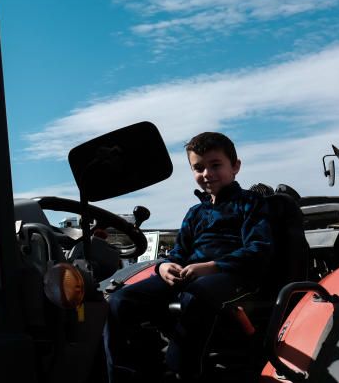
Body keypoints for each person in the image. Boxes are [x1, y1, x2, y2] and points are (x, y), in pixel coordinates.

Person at [104, 131, 272, 382]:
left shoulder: (251, 204)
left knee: (198, 294)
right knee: (120, 299)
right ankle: (123, 373)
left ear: (235, 166)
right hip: (191, 275)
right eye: (199, 168)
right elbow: (179, 253)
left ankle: (185, 369)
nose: (207, 174)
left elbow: (258, 249)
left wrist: (212, 267)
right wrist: (165, 267)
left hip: (234, 277)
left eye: (216, 165)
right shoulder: (195, 213)